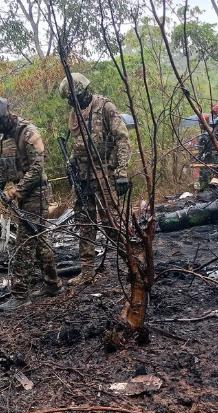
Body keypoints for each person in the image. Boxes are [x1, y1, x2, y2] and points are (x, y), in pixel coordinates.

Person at [0, 96, 62, 312]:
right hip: (24, 196)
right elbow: (1, 169)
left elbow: (37, 169)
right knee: (40, 239)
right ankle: (53, 285)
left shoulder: (28, 132)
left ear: (4, 117)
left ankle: (20, 294)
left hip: (36, 194)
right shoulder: (5, 138)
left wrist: (16, 190)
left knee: (24, 244)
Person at [58, 73, 131, 286]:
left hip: (105, 176)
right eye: (69, 100)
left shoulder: (105, 108)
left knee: (111, 224)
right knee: (85, 224)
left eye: (74, 98)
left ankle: (132, 263)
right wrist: (71, 163)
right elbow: (78, 144)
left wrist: (121, 172)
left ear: (84, 92)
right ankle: (87, 272)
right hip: (83, 178)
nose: (72, 103)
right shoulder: (74, 114)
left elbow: (122, 140)